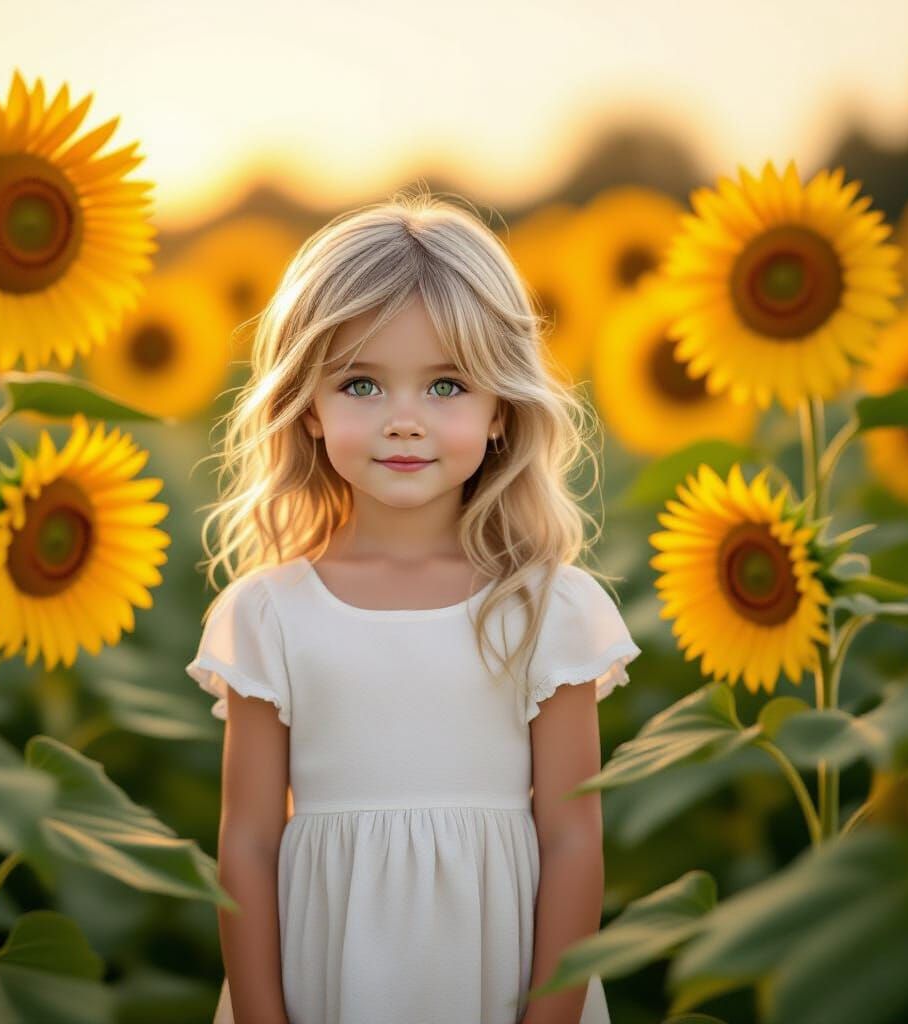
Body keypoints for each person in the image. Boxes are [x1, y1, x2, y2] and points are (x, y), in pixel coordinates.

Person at [185, 187, 642, 1024]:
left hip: (504, 978)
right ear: (308, 410)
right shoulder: (268, 615)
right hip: (326, 977)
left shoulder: (547, 608)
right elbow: (246, 845)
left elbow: (573, 841)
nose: (403, 421)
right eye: (361, 384)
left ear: (501, 408)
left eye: (445, 386)